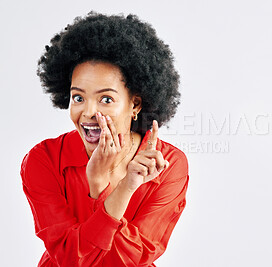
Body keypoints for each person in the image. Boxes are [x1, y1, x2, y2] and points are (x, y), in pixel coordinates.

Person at [20, 11, 189, 267]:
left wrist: (105, 188)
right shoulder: (44, 159)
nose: (87, 112)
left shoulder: (167, 164)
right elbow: (68, 258)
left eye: (106, 99)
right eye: (78, 98)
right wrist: (113, 187)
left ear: (135, 105)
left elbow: (134, 258)